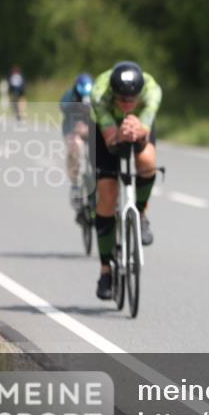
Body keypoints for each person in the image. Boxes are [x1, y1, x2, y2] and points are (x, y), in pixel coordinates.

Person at [90, 61, 162, 300]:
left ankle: (140, 214)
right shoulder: (100, 95)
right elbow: (110, 140)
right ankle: (105, 270)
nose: (128, 104)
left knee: (147, 163)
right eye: (123, 100)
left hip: (140, 125)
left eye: (133, 100)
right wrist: (118, 134)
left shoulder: (152, 92)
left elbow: (146, 127)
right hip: (106, 130)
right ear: (114, 94)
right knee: (108, 196)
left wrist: (139, 129)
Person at [60, 73, 94, 220]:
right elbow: (68, 121)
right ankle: (75, 184)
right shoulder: (68, 99)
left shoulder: (98, 98)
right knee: (75, 146)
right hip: (73, 128)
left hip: (93, 128)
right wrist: (75, 131)